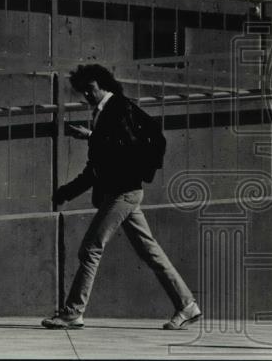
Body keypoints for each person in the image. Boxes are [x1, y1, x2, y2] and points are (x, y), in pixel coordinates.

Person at [43, 63, 202, 331]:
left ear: (103, 85)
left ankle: (73, 312)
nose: (86, 95)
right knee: (150, 251)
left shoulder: (118, 108)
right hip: (121, 192)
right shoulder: (105, 112)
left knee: (90, 248)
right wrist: (67, 192)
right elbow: (99, 165)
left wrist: (92, 137)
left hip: (123, 192)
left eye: (90, 89)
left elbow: (129, 145)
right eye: (83, 90)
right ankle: (187, 305)